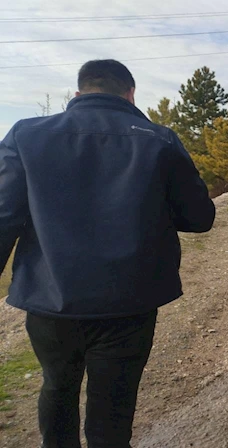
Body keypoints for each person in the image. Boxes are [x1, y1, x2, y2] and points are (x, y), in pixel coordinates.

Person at [0, 59, 215, 448]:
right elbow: (199, 218)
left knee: (56, 385)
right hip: (128, 302)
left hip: (50, 301)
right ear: (130, 94)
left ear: (79, 94)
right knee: (113, 409)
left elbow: (3, 216)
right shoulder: (159, 139)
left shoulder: (25, 135)